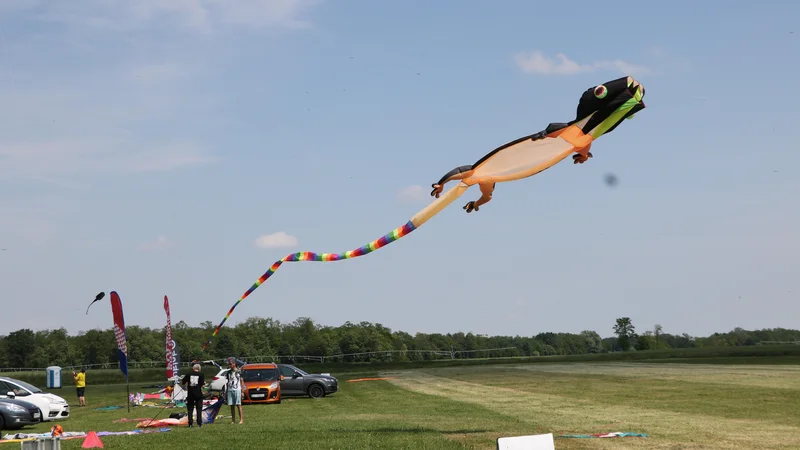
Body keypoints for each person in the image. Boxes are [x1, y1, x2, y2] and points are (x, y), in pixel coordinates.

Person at [181, 364, 206, 428]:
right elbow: (202, 385)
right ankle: (199, 423)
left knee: (190, 409)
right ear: (199, 369)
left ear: (193, 368)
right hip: (198, 394)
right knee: (199, 409)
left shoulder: (188, 374)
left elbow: (183, 382)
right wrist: (204, 383)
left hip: (190, 394)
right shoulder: (201, 374)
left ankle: (190, 423)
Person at [225, 358, 244, 424]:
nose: (230, 365)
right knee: (232, 405)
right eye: (229, 364)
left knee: (238, 405)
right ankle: (233, 420)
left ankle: (241, 420)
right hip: (230, 390)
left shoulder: (239, 371)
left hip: (237, 389)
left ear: (234, 364)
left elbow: (242, 381)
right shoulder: (228, 372)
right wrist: (226, 391)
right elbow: (228, 382)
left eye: (230, 364)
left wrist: (242, 391)